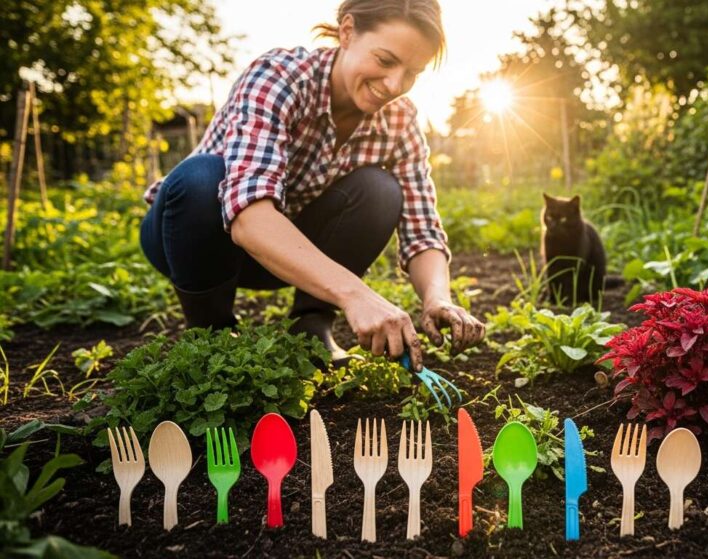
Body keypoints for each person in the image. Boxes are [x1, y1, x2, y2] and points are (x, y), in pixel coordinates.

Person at [140, 0, 485, 371]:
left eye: (411, 73)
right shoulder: (279, 78)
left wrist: (437, 298)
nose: (394, 85)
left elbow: (422, 229)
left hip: (285, 256)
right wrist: (355, 294)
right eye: (385, 60)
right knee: (202, 177)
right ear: (347, 32)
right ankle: (211, 330)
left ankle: (311, 326)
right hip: (188, 239)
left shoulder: (400, 121)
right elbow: (248, 217)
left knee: (381, 190)